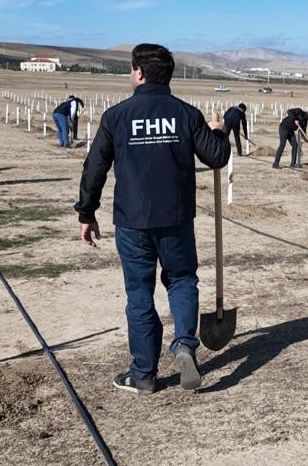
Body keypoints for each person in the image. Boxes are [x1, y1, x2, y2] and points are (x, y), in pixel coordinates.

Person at [75, 43, 230, 395]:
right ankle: (185, 346)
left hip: (132, 222)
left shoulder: (116, 117)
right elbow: (217, 156)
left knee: (139, 294)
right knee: (182, 280)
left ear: (139, 73)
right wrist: (219, 130)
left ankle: (144, 373)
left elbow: (94, 167)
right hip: (176, 218)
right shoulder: (186, 114)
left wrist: (87, 212)